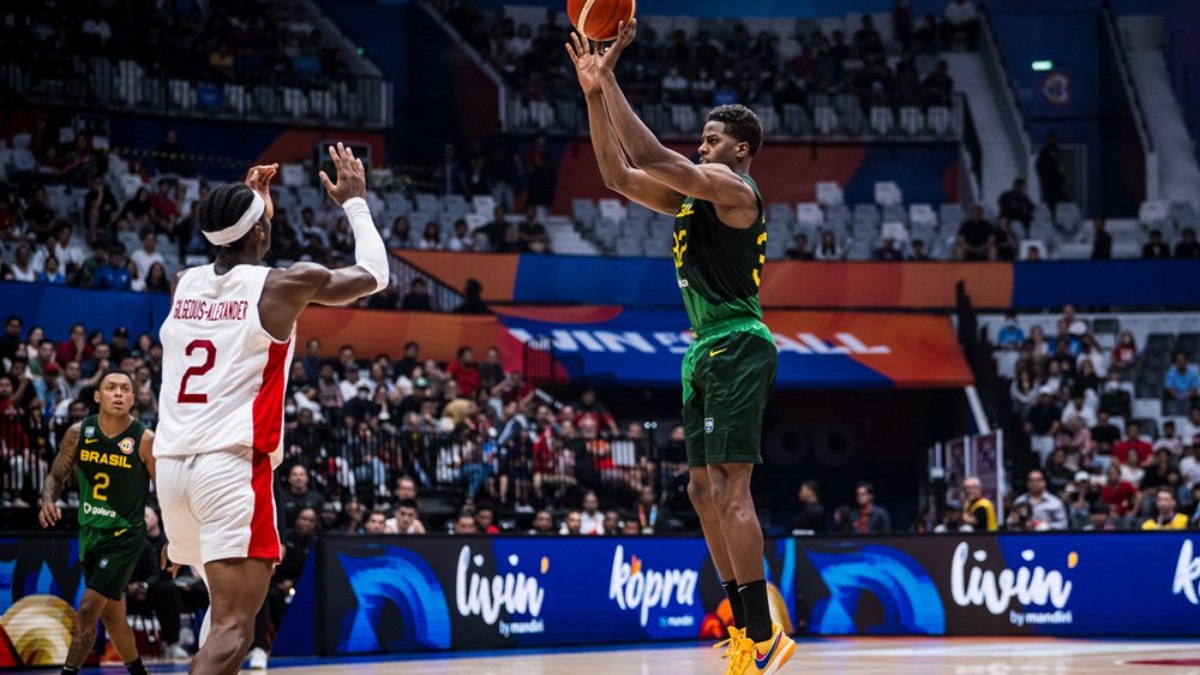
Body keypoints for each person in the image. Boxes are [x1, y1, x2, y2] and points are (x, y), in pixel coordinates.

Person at [568, 24, 794, 672]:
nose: (703, 144)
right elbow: (618, 171)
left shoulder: (736, 191)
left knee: (731, 490)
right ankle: (744, 631)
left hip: (738, 343)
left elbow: (650, 151)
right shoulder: (693, 199)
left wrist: (610, 75)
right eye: (702, 137)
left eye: (713, 138)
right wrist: (592, 94)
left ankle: (764, 630)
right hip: (703, 350)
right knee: (700, 489)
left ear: (741, 149)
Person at [154, 144, 389, 675]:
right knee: (234, 630)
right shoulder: (284, 284)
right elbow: (376, 274)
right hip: (230, 468)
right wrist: (355, 203)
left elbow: (232, 249)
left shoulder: (181, 284)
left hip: (171, 471)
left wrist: (250, 205)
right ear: (260, 231)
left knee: (224, 624)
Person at [38, 371, 157, 675]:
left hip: (124, 535)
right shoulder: (79, 432)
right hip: (90, 532)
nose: (118, 393)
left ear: (133, 398)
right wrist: (48, 499)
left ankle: (68, 673)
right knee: (114, 619)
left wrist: (173, 539)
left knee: (89, 608)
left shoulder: (144, 440)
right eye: (111, 387)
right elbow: (56, 475)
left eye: (125, 389)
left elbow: (167, 492)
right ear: (97, 396)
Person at [249, 506, 317, 669]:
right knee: (268, 595)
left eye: (311, 520)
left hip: (300, 586)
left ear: (316, 524)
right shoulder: (285, 539)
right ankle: (263, 643)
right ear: (296, 520)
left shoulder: (317, 543)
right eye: (303, 519)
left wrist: (293, 583)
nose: (306, 523)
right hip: (275, 584)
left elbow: (314, 572)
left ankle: (286, 641)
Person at [1035, 131, 1065, 216]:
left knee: (1057, 201)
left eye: (1056, 138)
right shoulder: (1044, 152)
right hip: (1048, 181)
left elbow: (1059, 166)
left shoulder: (1057, 151)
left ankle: (1055, 217)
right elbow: (1039, 166)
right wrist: (1044, 177)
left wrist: (1061, 176)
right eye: (1053, 138)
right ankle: (1051, 216)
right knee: (1049, 201)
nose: (1055, 140)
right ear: (1048, 140)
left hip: (1056, 181)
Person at [1164, 351, 1200, 416]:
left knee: (1196, 397)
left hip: (1189, 397)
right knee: (1166, 394)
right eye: (1178, 361)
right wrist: (1179, 396)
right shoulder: (1170, 372)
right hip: (1175, 397)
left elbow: (1194, 389)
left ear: (1186, 361)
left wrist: (1185, 396)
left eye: (1181, 360)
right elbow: (1169, 389)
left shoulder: (1192, 373)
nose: (1179, 362)